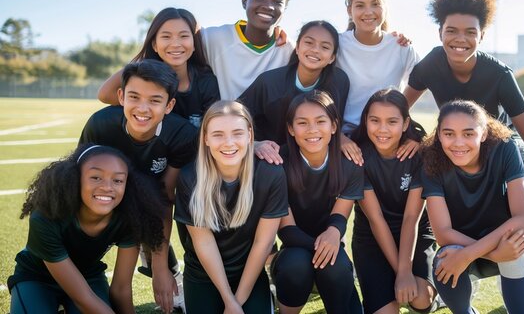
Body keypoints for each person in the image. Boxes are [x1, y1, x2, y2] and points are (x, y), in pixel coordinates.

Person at [404, 0, 524, 313]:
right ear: (440, 32)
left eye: (470, 32)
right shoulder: (431, 65)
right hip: (457, 145)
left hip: (504, 151)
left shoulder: (498, 74)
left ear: (482, 35)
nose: (460, 39)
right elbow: (400, 107)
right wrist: (412, 134)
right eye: (451, 30)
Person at [79, 59, 198, 313]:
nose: (142, 108)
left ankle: (173, 273)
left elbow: (165, 197)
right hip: (107, 199)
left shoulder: (182, 135)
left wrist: (160, 268)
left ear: (169, 105)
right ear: (121, 96)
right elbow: (79, 184)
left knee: (149, 213)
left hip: (150, 204)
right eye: (134, 97)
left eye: (155, 100)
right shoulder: (100, 125)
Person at [8, 144, 166, 314]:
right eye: (96, 177)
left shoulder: (129, 218)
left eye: (118, 180)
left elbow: (121, 288)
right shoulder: (46, 216)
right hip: (37, 278)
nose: (107, 186)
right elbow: (82, 297)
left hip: (88, 276)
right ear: (75, 178)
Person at [422, 100, 524, 314]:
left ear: (483, 134)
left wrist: (476, 253)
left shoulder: (505, 147)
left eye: (468, 134)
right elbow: (443, 233)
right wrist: (483, 254)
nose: (458, 143)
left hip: (502, 243)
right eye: (448, 134)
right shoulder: (432, 160)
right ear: (439, 135)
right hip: (463, 247)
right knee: (444, 260)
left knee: (515, 247)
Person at [174, 100, 288, 313]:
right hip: (203, 275)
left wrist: (239, 300)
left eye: (237, 133)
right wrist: (229, 300)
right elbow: (204, 243)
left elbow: (263, 243)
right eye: (218, 134)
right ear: (205, 138)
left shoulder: (270, 174)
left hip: (249, 274)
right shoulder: (190, 178)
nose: (228, 143)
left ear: (250, 135)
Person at [271, 91, 363, 314]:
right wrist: (325, 245)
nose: (312, 129)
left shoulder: (350, 163)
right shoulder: (277, 164)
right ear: (291, 129)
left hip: (330, 243)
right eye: (302, 123)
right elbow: (288, 231)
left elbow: (340, 216)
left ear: (334, 126)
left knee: (337, 266)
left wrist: (333, 233)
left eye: (320, 121)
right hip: (292, 250)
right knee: (297, 264)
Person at [350, 89, 437, 314]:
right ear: (365, 121)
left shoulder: (418, 155)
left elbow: (411, 218)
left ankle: (437, 298)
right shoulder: (358, 157)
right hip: (372, 237)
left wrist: (406, 271)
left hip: (415, 232)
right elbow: (376, 219)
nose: (382, 129)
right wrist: (402, 272)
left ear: (405, 123)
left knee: (419, 298)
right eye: (375, 120)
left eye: (392, 121)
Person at [238, 20, 350, 165]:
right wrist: (254, 144)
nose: (315, 50)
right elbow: (235, 115)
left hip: (313, 157)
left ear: (332, 58)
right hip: (272, 159)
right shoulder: (269, 82)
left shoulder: (339, 81)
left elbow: (333, 125)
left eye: (325, 47)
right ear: (297, 48)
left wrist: (341, 137)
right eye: (309, 43)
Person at [337, 0, 421, 165]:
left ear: (385, 7)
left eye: (375, 4)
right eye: (360, 5)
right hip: (347, 137)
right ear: (349, 10)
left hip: (387, 138)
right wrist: (337, 138)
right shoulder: (338, 43)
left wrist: (399, 109)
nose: (369, 11)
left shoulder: (400, 46)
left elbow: (422, 80)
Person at [97, 7, 220, 128]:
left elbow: (213, 130)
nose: (175, 44)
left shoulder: (206, 82)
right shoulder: (143, 75)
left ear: (194, 44)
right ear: (155, 45)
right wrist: (141, 65)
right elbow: (104, 95)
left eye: (183, 36)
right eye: (166, 37)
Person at [202, 0, 295, 100]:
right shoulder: (213, 38)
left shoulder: (289, 49)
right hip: (223, 118)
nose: (269, 6)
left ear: (284, 10)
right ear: (244, 2)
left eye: (277, 2)